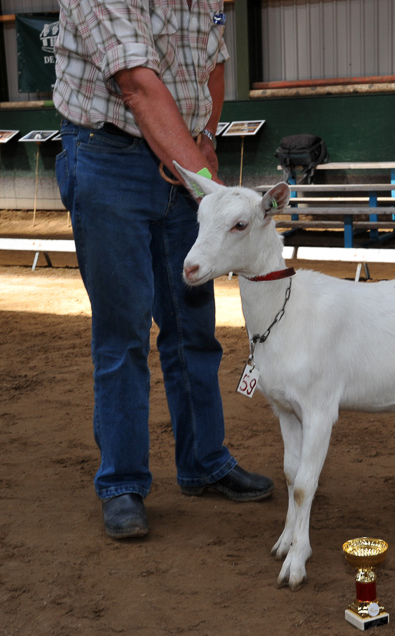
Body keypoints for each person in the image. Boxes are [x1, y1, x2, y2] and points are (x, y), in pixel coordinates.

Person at [53, 0, 274, 539]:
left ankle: (204, 462)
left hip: (183, 160)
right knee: (123, 329)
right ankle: (122, 483)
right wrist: (211, 189)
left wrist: (207, 137)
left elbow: (214, 60)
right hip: (110, 156)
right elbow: (135, 84)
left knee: (192, 327)